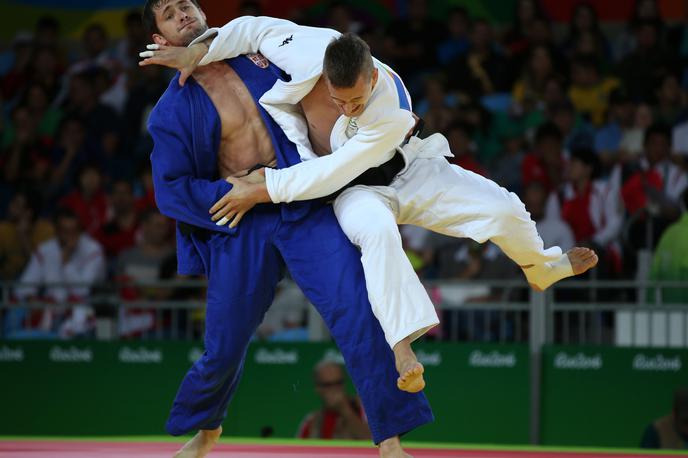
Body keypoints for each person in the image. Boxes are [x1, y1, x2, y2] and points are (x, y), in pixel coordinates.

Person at [140, 14, 598, 394]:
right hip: (358, 193)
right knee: (377, 233)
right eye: (339, 100)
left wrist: (262, 188)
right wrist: (199, 51)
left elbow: (328, 171)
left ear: (374, 77)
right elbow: (251, 28)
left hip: (409, 171)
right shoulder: (307, 46)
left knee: (503, 208)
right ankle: (402, 346)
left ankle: (541, 267)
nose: (347, 110)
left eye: (356, 100)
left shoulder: (390, 108)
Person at [140, 2, 432, 457]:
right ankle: (206, 430)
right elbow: (172, 191)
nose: (182, 15)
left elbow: (311, 56)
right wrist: (232, 190)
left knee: (356, 305)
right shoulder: (170, 112)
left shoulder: (257, 54)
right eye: (168, 15)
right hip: (241, 219)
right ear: (158, 40)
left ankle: (391, 438)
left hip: (298, 195)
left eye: (186, 5)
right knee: (224, 340)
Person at [297, 360, 371, 440]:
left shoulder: (363, 410)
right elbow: (300, 451)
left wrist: (345, 411)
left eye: (338, 383)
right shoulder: (311, 422)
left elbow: (374, 443)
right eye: (328, 385)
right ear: (318, 388)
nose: (334, 389)